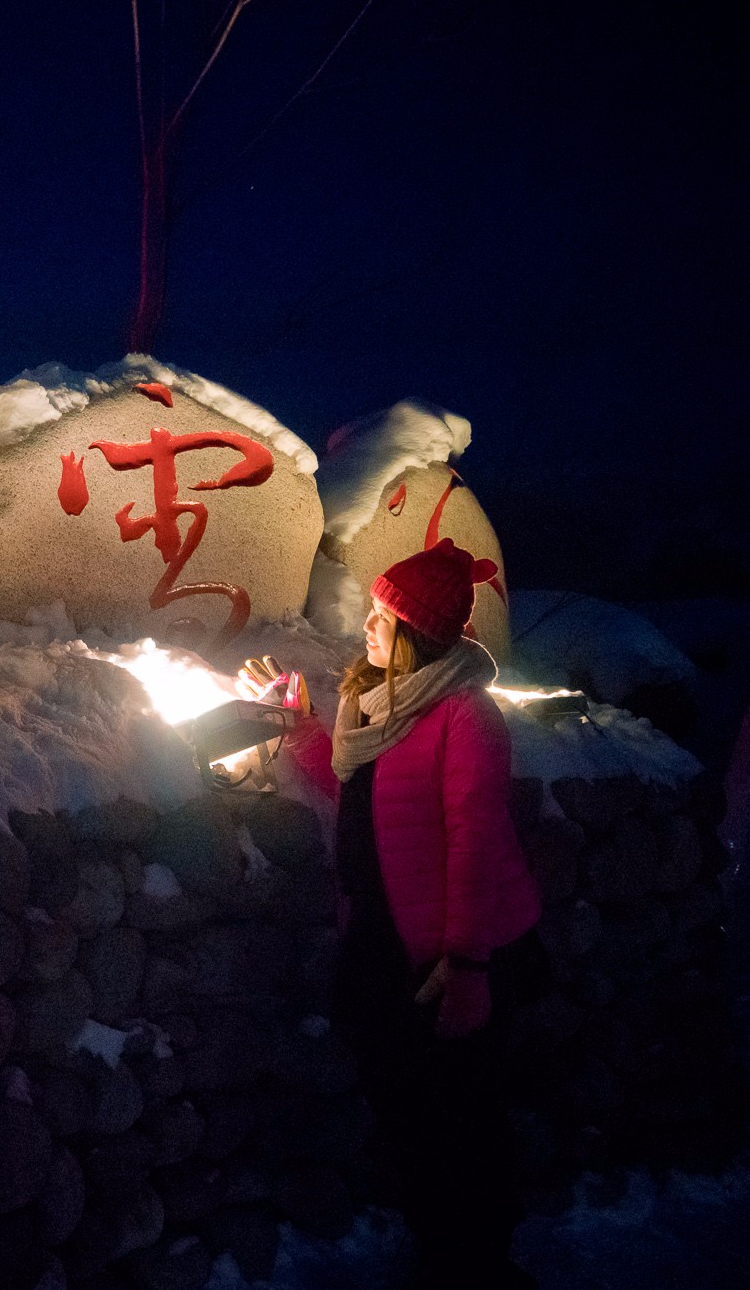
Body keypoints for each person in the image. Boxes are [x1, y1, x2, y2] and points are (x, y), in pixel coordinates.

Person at [244, 539, 546, 1289]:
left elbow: (471, 841)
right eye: (374, 611)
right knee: (407, 1106)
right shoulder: (375, 703)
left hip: (450, 954)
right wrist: (303, 723)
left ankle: (480, 1263)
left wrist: (468, 967)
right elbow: (359, 794)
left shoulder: (463, 717)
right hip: (383, 940)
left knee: (463, 1114)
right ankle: (439, 1247)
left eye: (384, 617)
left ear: (418, 632)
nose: (369, 628)